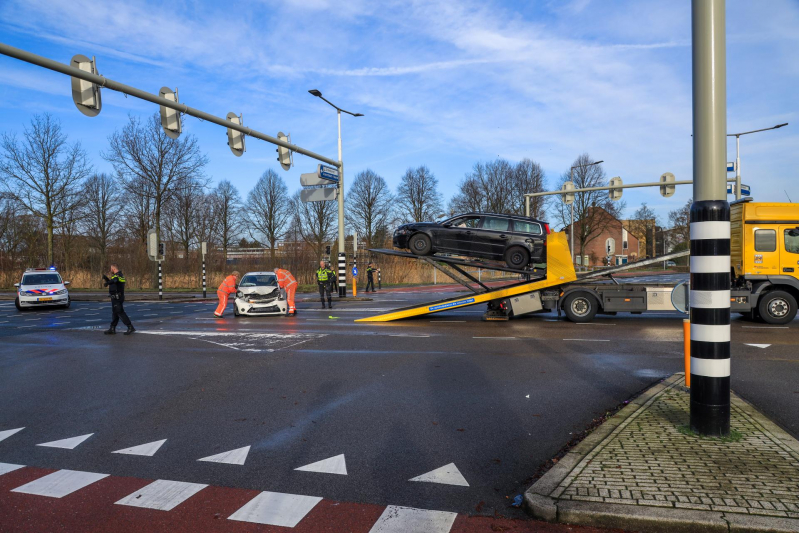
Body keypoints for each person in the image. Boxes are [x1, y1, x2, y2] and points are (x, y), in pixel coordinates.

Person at [102, 263, 134, 335]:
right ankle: (112, 328)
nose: (110, 270)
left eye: (111, 269)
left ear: (114, 269)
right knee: (115, 313)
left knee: (120, 312)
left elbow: (115, 280)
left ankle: (130, 326)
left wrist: (107, 283)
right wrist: (106, 279)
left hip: (118, 297)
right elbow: (112, 282)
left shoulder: (119, 275)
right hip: (114, 298)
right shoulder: (115, 276)